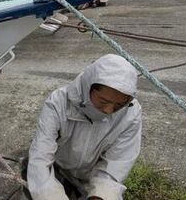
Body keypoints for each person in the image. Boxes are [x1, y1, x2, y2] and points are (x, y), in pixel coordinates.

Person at [26, 54, 142, 200]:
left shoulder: (131, 113)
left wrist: (101, 194)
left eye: (119, 105)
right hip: (56, 168)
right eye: (103, 101)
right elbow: (41, 158)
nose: (108, 110)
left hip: (91, 176)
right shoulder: (58, 103)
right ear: (88, 86)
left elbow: (118, 161)